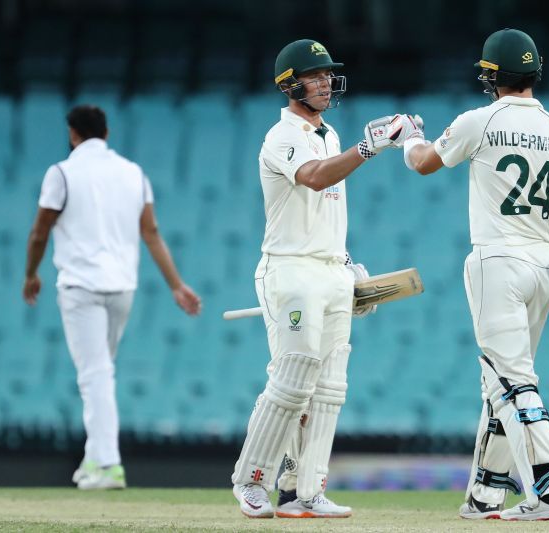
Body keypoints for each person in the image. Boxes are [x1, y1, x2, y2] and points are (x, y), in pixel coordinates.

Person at [403, 28, 549, 521]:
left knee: (511, 380)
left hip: (496, 261)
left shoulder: (479, 121)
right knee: (498, 381)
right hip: (545, 265)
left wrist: (406, 139)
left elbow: (424, 165)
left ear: (492, 76)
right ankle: (485, 494)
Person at [230, 39, 420, 519]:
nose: (325, 83)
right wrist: (369, 146)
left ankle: (303, 492)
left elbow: (324, 207)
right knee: (293, 381)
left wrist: (345, 262)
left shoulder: (328, 135)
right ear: (290, 84)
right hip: (290, 270)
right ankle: (252, 481)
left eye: (327, 75)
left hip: (328, 269)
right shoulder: (283, 136)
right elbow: (313, 178)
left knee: (330, 388)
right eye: (315, 76)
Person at [23, 105, 202, 490]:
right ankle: (93, 459)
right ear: (106, 132)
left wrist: (30, 274)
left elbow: (40, 232)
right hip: (122, 287)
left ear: (73, 134)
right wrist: (175, 284)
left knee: (95, 374)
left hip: (81, 287)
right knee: (101, 372)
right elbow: (151, 233)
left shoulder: (62, 173)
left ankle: (107, 464)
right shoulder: (132, 173)